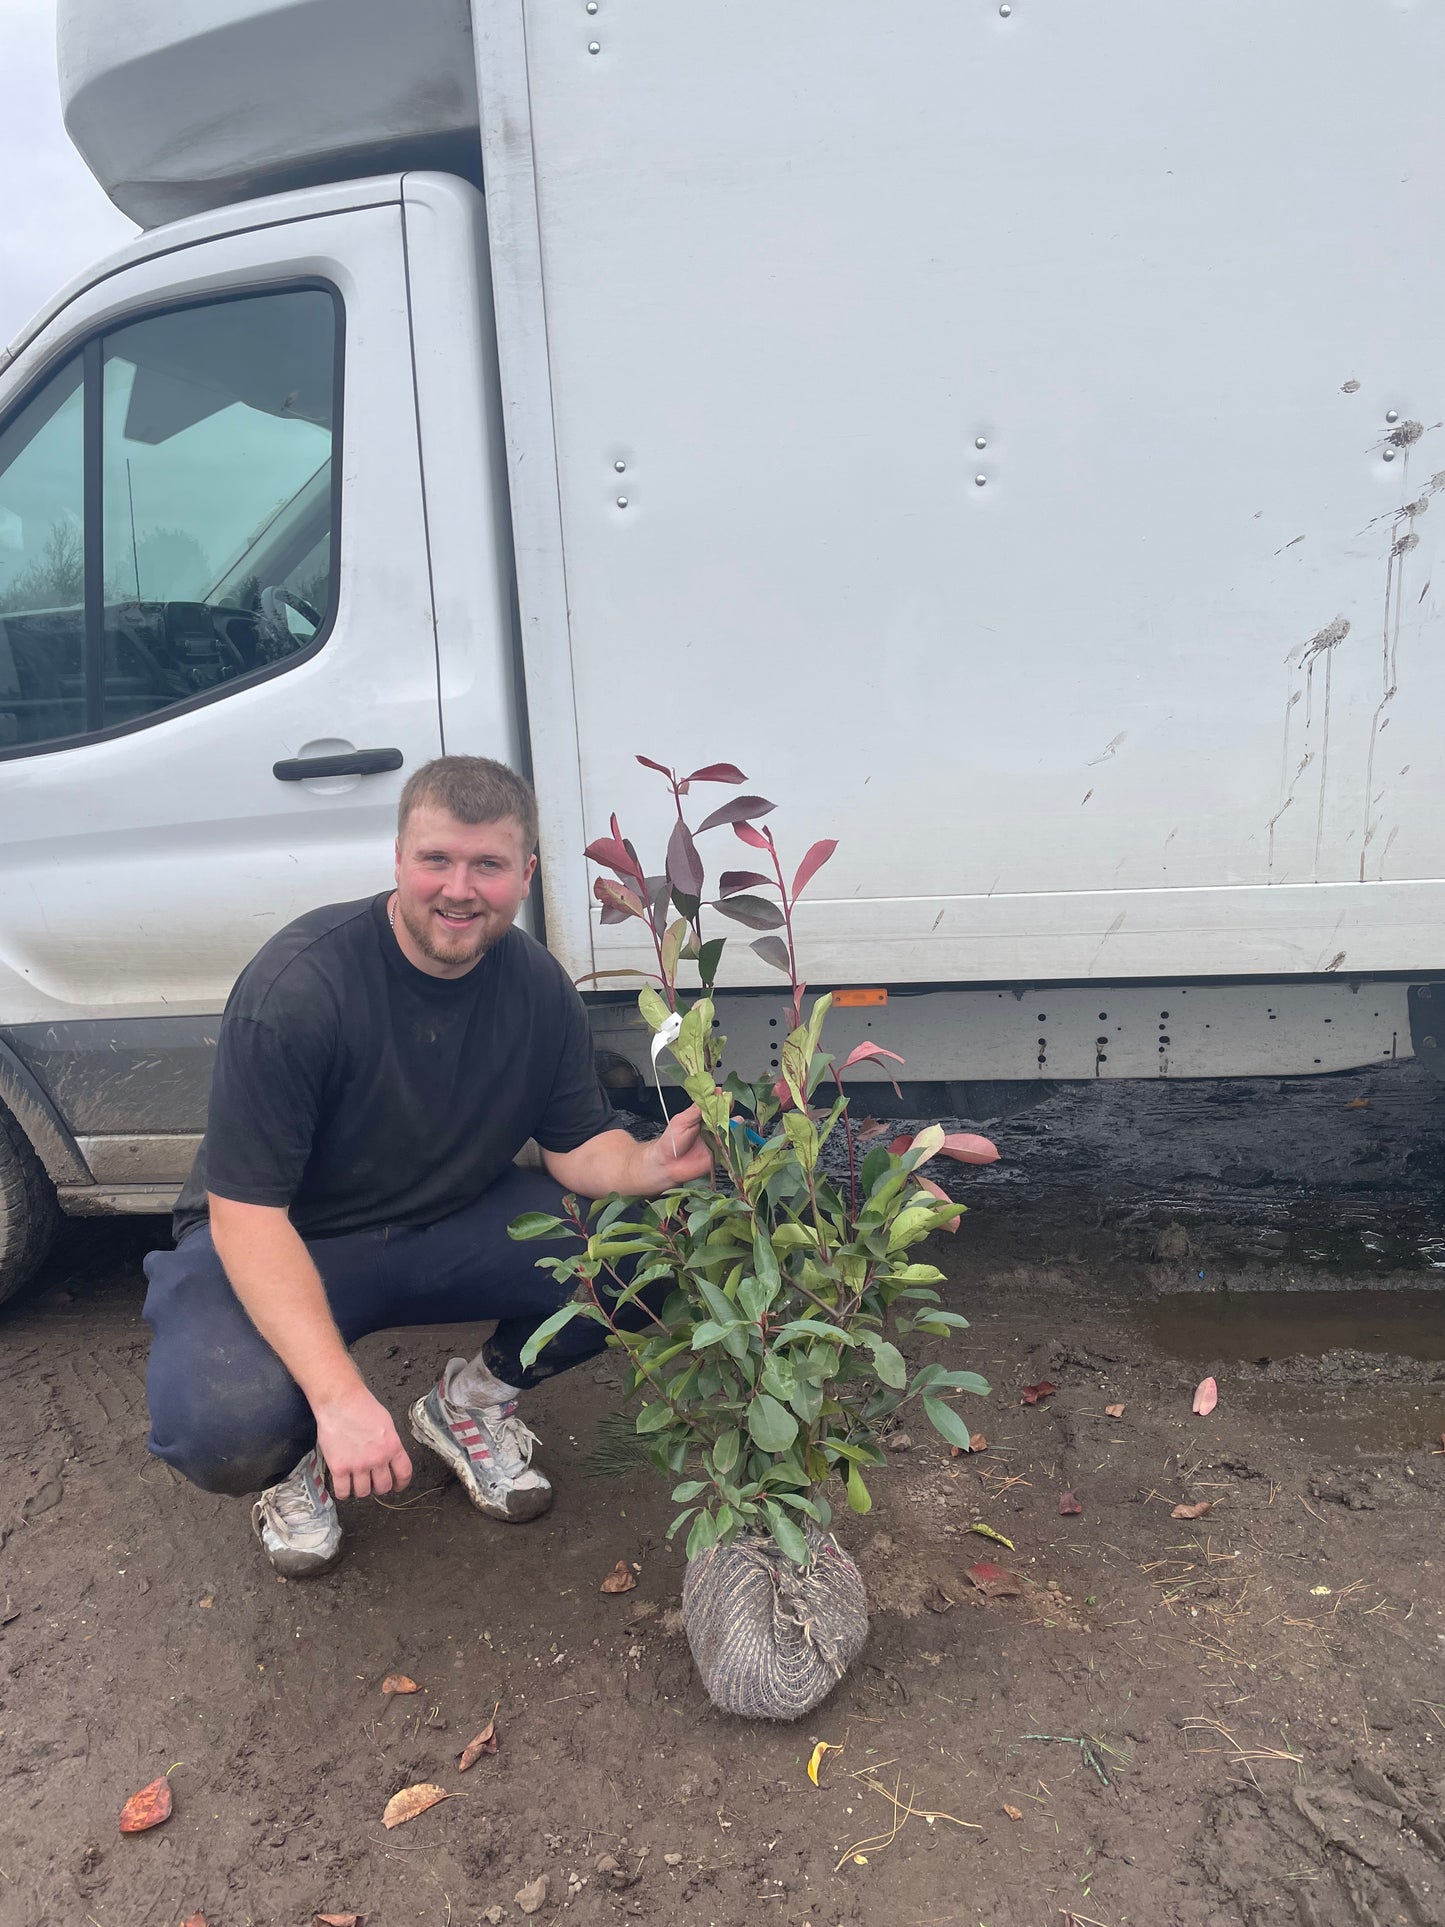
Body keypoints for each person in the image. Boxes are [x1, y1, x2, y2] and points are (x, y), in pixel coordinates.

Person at [141, 755, 710, 1577]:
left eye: (486, 864)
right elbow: (246, 1216)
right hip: (282, 1240)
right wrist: (338, 1398)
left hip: (443, 1223)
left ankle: (467, 1405)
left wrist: (649, 1162)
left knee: (642, 1249)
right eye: (436, 859)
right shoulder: (301, 986)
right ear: (398, 860)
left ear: (525, 874)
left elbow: (574, 1144)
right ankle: (294, 1458)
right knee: (221, 1425)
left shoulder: (537, 988)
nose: (459, 888)